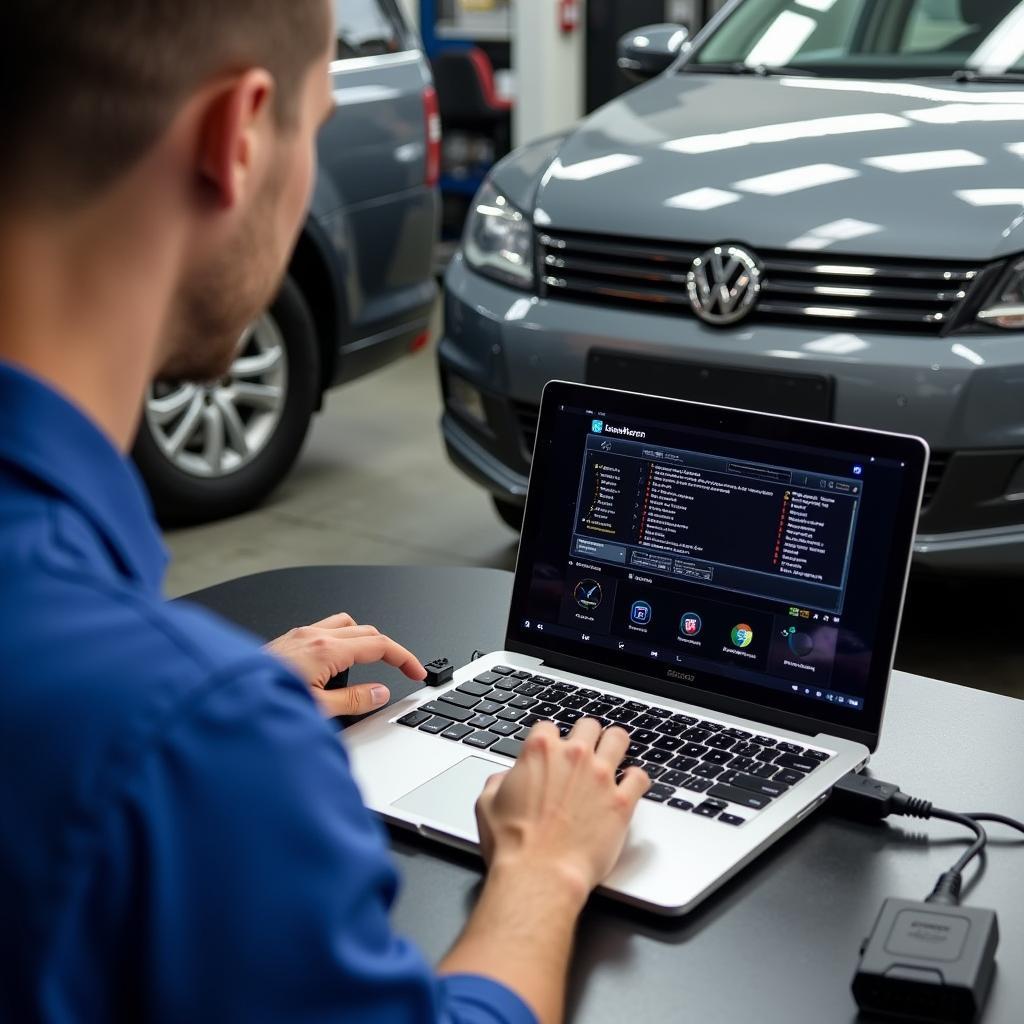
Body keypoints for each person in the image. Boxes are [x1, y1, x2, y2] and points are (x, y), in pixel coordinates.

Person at [0, 3, 650, 1022]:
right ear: (238, 137)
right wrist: (546, 867)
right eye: (316, 123)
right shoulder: (190, 740)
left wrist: (198, 711)